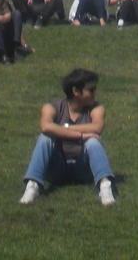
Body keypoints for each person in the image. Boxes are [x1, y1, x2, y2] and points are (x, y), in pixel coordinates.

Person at [19, 67, 116, 206]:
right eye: (91, 90)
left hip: (83, 167)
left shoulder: (97, 109)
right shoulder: (52, 107)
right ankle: (33, 185)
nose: (95, 93)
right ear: (76, 91)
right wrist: (82, 135)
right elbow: (45, 126)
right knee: (45, 138)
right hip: (57, 167)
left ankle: (105, 186)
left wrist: (61, 129)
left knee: (93, 142)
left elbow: (97, 127)